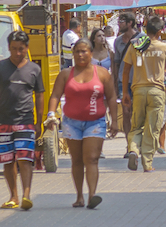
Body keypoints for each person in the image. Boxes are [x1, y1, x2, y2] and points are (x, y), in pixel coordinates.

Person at [47, 39, 118, 208]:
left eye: (84, 51)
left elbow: (112, 97)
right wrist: (51, 114)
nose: (80, 55)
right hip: (72, 123)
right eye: (77, 51)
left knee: (91, 159)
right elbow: (55, 95)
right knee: (77, 160)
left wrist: (114, 120)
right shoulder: (65, 74)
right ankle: (79, 196)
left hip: (96, 122)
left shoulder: (102, 74)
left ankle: (92, 195)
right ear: (73, 54)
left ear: (91, 53)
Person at [0, 30, 46, 211]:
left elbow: (40, 96)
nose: (17, 53)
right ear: (9, 48)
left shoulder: (34, 69)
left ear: (27, 48)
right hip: (4, 120)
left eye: (21, 49)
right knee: (7, 160)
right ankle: (13, 197)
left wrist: (39, 121)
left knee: (25, 159)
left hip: (26, 119)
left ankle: (26, 195)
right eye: (13, 49)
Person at [121, 15, 166, 172]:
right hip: (156, 91)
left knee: (136, 126)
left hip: (138, 91)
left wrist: (125, 93)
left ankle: (133, 150)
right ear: (158, 32)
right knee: (152, 127)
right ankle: (147, 163)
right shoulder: (163, 47)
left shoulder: (136, 44)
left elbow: (126, 69)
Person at [113, 12, 140, 139]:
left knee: (137, 112)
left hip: (139, 81)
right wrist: (114, 84)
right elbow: (116, 64)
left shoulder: (142, 38)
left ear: (130, 23)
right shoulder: (118, 41)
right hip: (123, 82)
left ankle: (137, 141)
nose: (119, 24)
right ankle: (129, 143)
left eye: (121, 21)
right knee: (125, 112)